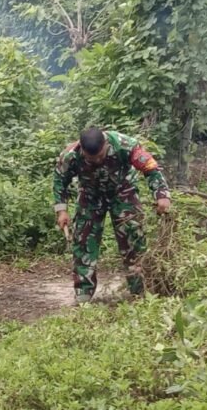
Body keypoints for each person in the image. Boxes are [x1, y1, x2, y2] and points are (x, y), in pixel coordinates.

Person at [53, 127, 172, 304]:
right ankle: (83, 293)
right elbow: (60, 180)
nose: (98, 161)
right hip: (90, 196)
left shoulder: (126, 146)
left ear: (106, 144)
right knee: (84, 241)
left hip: (123, 193)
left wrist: (161, 194)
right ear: (82, 150)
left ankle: (140, 290)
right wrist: (62, 210)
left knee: (134, 240)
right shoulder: (70, 155)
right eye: (91, 159)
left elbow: (151, 168)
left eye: (101, 156)